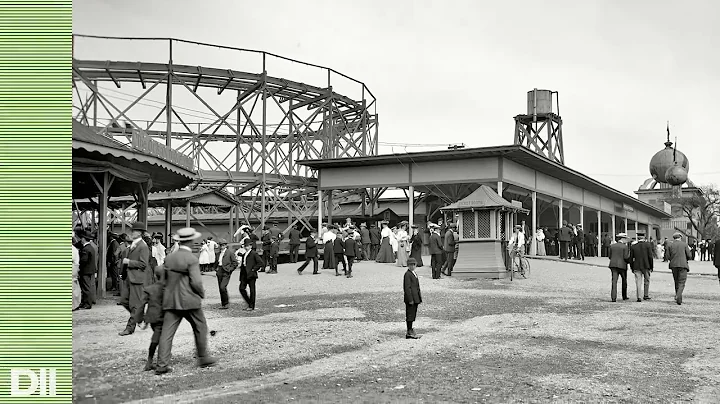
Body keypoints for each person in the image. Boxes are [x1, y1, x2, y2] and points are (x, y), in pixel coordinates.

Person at [155, 227, 217, 375]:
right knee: (200, 326)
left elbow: (160, 273)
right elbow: (196, 282)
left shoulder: (170, 257)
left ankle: (162, 364)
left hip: (171, 300)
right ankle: (203, 357)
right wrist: (201, 293)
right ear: (190, 241)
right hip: (190, 301)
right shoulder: (191, 259)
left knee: (167, 332)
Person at [119, 222, 151, 336]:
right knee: (124, 301)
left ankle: (130, 328)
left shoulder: (143, 246)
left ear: (141, 233)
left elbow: (143, 264)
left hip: (138, 278)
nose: (132, 233)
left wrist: (129, 262)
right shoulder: (134, 244)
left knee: (135, 304)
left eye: (135, 231)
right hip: (130, 277)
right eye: (132, 231)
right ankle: (139, 317)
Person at [135, 266, 166, 371]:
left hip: (152, 318)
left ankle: (154, 361)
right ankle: (153, 363)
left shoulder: (148, 289)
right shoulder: (167, 288)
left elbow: (141, 305)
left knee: (159, 337)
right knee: (158, 339)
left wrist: (139, 319)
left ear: (154, 276)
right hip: (164, 318)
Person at [667, 232, 692, 305]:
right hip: (683, 265)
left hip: (674, 265)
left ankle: (679, 299)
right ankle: (678, 295)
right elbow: (689, 255)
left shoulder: (670, 245)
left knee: (676, 281)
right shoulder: (684, 244)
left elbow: (668, 256)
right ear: (680, 237)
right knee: (682, 282)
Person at [239, 237, 262, 311]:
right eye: (245, 246)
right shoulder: (245, 254)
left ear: (251, 246)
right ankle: (249, 302)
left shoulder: (253, 253)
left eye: (248, 246)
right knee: (241, 288)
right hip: (244, 273)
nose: (246, 247)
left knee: (252, 290)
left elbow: (260, 263)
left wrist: (254, 269)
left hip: (251, 274)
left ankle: (252, 306)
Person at [629, 233, 654, 302]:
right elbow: (650, 257)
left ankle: (639, 296)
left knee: (638, 282)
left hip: (637, 266)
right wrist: (651, 266)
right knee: (647, 281)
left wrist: (632, 267)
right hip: (646, 266)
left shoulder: (633, 246)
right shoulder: (648, 245)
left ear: (638, 238)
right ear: (644, 238)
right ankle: (646, 295)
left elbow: (631, 258)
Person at [77, 229, 97, 310]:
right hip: (89, 270)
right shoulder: (90, 247)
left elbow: (83, 260)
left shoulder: (86, 249)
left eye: (81, 238)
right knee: (86, 286)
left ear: (84, 239)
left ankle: (87, 303)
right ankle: (85, 302)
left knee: (86, 287)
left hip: (85, 270)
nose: (80, 239)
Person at [608, 233, 630, 302]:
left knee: (614, 281)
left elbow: (609, 256)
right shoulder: (625, 247)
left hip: (613, 265)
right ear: (623, 239)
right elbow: (626, 257)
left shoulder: (612, 246)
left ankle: (613, 297)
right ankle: (624, 296)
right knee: (624, 280)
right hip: (622, 265)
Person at [403, 257, 422, 339]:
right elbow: (407, 288)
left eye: (413, 265)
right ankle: (409, 330)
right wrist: (410, 299)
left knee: (413, 314)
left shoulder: (414, 273)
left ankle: (411, 329)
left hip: (415, 298)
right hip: (411, 299)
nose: (412, 266)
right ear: (408, 265)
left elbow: (417, 287)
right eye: (410, 265)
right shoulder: (407, 274)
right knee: (410, 315)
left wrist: (419, 298)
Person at [216, 239, 237, 309]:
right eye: (220, 245)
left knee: (223, 287)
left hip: (226, 271)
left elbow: (235, 263)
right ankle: (223, 303)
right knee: (220, 288)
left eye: (223, 245)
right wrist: (216, 269)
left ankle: (226, 303)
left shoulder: (229, 253)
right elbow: (216, 262)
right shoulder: (218, 253)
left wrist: (230, 269)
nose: (221, 246)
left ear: (225, 245)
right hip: (219, 270)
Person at [72, 231, 81, 311]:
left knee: (73, 287)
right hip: (74, 267)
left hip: (73, 267)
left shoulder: (73, 249)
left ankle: (74, 305)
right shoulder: (74, 249)